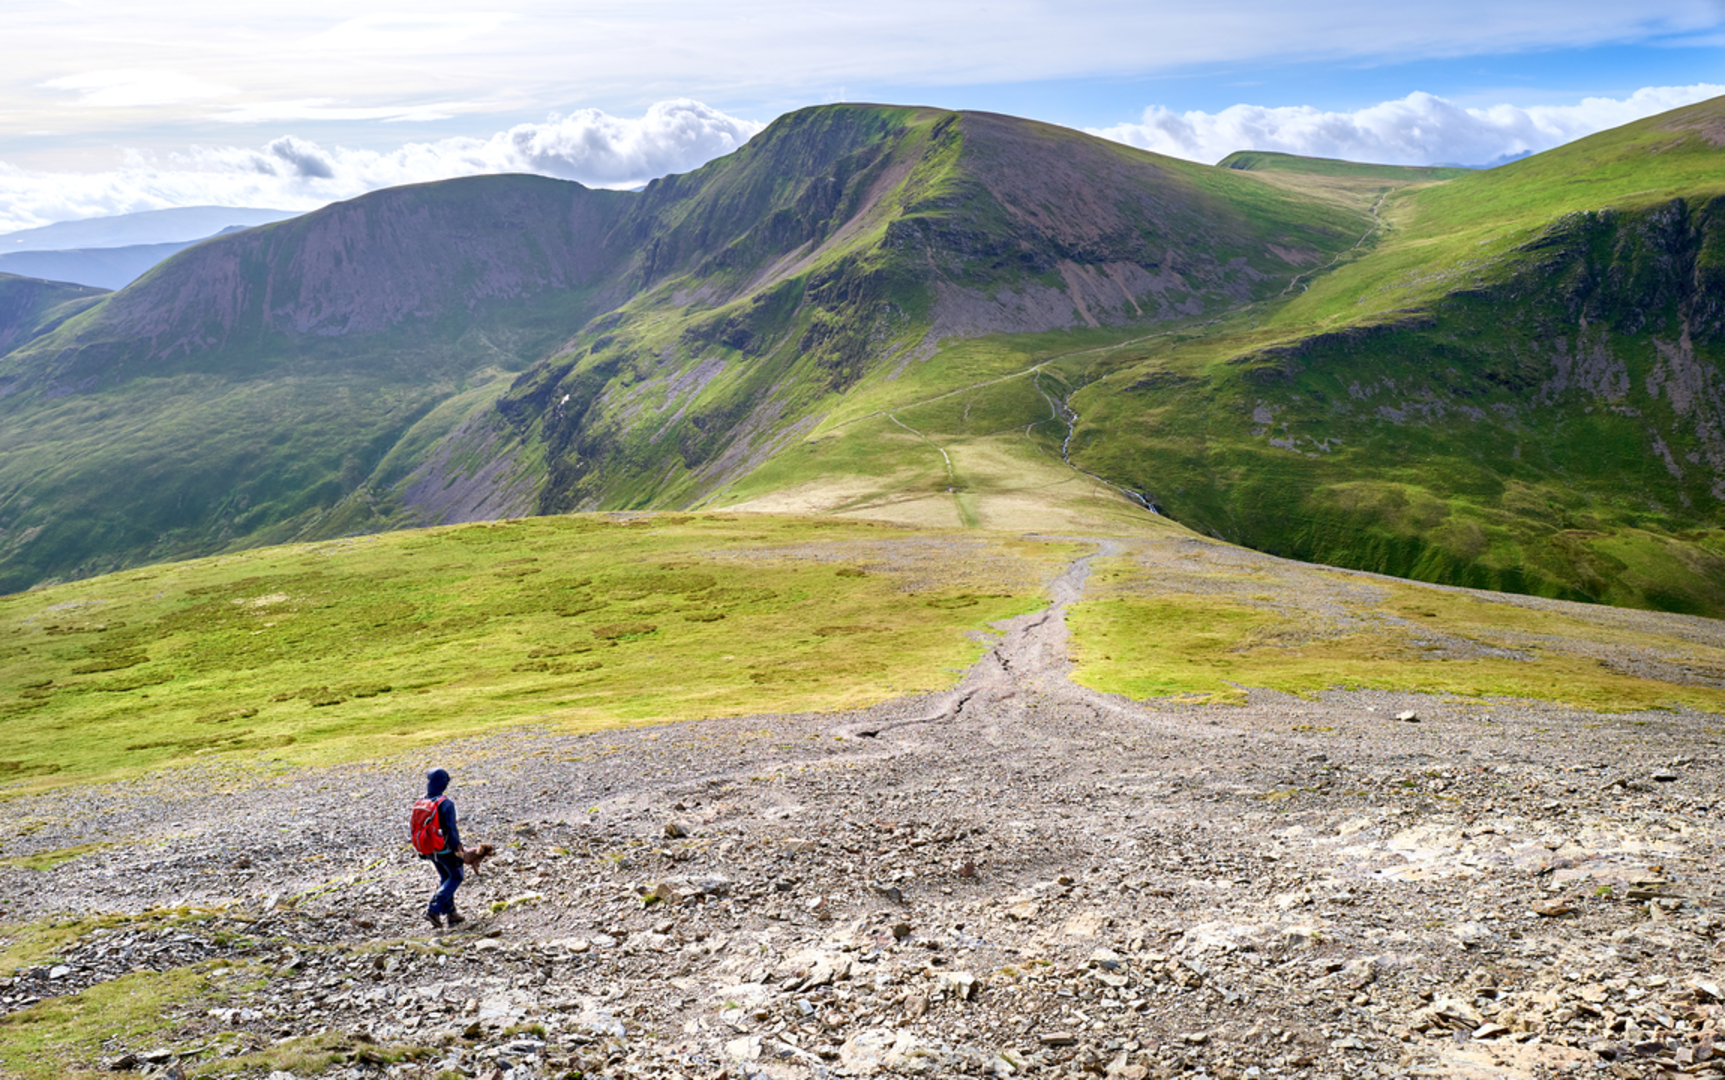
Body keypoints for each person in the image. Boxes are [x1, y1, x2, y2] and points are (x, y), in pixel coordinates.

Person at [419, 768, 468, 929]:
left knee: (445, 876)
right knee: (456, 876)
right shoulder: (446, 803)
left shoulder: (422, 801)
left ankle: (451, 914)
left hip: (428, 849)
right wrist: (457, 850)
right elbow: (451, 829)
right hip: (445, 849)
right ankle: (434, 909)